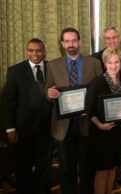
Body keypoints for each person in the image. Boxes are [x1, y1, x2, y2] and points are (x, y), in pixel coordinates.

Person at [45, 27, 102, 194]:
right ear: (62, 44)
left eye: (74, 40)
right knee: (66, 168)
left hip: (87, 123)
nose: (71, 44)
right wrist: (48, 93)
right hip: (63, 126)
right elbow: (47, 88)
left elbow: (101, 91)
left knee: (87, 167)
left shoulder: (94, 63)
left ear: (79, 41)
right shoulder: (53, 65)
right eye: (67, 41)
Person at [4, 38, 53, 194]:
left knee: (44, 166)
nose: (34, 53)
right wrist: (10, 128)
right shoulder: (15, 71)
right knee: (22, 168)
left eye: (38, 50)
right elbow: (9, 103)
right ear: (27, 51)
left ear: (43, 52)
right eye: (31, 50)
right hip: (23, 129)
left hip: (47, 128)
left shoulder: (53, 67)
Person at [85, 48, 121, 194]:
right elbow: (88, 109)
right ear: (105, 63)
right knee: (102, 169)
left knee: (113, 167)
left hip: (118, 134)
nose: (114, 65)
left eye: (116, 62)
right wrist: (100, 125)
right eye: (110, 62)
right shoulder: (97, 82)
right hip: (102, 134)